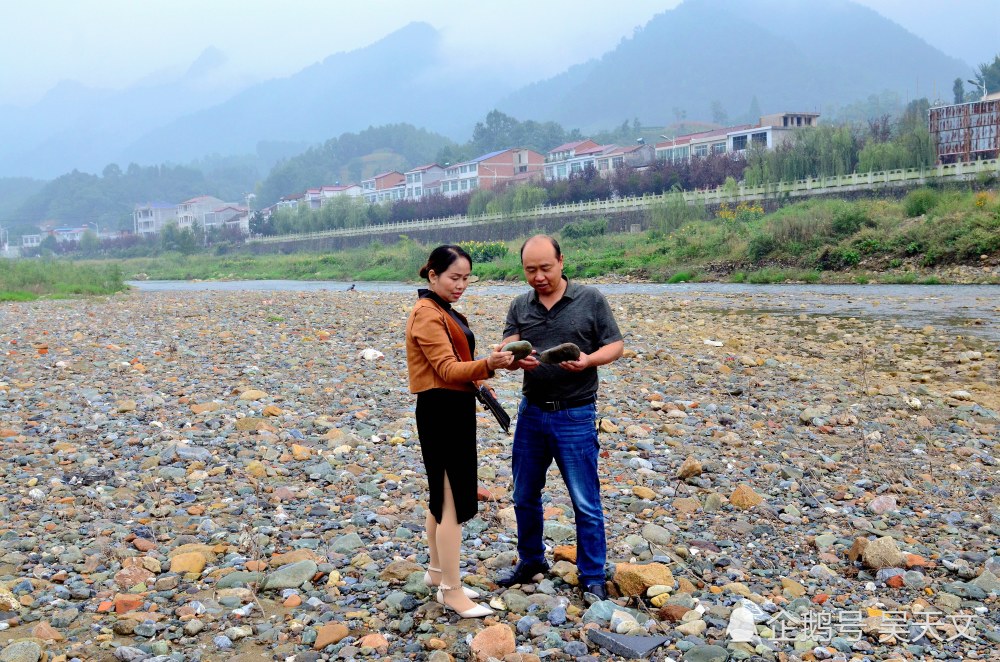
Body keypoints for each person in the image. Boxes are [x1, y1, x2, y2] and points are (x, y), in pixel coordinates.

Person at [496, 234, 624, 601]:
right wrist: (510, 355)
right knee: (523, 494)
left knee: (585, 499)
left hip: (575, 415)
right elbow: (508, 342)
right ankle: (531, 560)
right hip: (531, 413)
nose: (538, 276)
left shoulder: (590, 299)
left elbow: (615, 345)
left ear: (561, 262)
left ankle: (593, 575)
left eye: (545, 268)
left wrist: (587, 360)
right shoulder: (520, 304)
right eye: (530, 269)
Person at [405, 244, 513, 618]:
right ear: (433, 275)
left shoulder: (440, 310)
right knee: (451, 498)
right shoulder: (427, 314)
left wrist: (481, 379)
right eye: (454, 277)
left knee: (441, 494)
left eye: (466, 278)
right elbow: (448, 370)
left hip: (451, 406)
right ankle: (451, 591)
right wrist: (487, 364)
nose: (461, 285)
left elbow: (455, 369)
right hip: (441, 410)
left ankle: (437, 573)